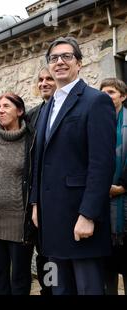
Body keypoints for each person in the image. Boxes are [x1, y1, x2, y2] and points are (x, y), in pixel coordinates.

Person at [30, 37, 116, 295]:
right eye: (54, 58)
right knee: (58, 288)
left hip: (80, 219)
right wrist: (35, 204)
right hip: (51, 219)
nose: (59, 62)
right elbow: (39, 159)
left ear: (79, 63)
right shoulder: (48, 106)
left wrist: (88, 214)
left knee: (87, 289)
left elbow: (102, 164)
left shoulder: (95, 101)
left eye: (66, 56)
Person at [0, 93, 35, 295]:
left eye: (6, 106)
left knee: (20, 275)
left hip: (19, 219)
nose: (1, 110)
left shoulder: (32, 140)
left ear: (19, 111)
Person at [26, 67, 57, 295]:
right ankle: (48, 289)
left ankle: (56, 288)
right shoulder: (32, 115)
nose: (44, 83)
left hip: (59, 196)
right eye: (41, 79)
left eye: (49, 79)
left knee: (56, 251)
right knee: (43, 250)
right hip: (35, 197)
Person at [99, 78, 127, 295]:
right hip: (101, 205)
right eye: (103, 92)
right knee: (105, 266)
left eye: (111, 92)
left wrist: (123, 187)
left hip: (125, 204)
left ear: (123, 96)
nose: (106, 96)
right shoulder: (96, 123)